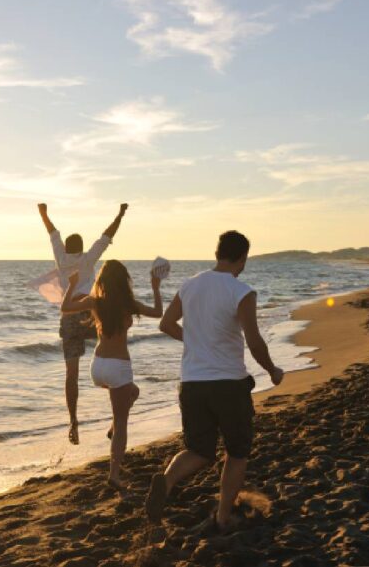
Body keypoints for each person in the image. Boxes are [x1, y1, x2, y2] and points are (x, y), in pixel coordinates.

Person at [145, 231, 284, 532]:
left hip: (192, 383)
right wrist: (272, 370)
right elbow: (255, 342)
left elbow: (166, 324)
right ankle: (223, 516)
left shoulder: (190, 285)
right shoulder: (241, 291)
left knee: (198, 450)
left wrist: (196, 341)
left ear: (217, 253)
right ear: (243, 258)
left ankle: (166, 481)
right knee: (237, 451)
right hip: (229, 385)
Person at [61, 261, 162, 490]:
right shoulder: (129, 304)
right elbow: (158, 312)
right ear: (124, 281)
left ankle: (112, 429)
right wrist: (155, 286)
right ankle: (114, 475)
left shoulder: (95, 301)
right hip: (118, 366)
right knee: (123, 422)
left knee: (133, 392)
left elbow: (65, 307)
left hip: (97, 367)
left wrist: (73, 285)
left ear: (102, 281)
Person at [37, 203, 129, 445]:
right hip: (90, 313)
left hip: (69, 315)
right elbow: (107, 236)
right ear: (81, 247)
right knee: (111, 356)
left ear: (67, 247)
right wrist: (119, 214)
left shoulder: (60, 256)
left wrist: (43, 213)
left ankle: (73, 421)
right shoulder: (89, 259)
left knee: (71, 375)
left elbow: (51, 232)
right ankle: (115, 418)